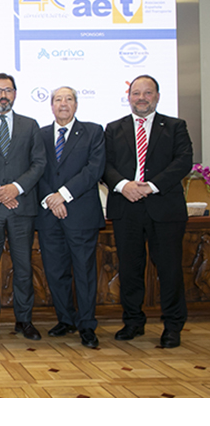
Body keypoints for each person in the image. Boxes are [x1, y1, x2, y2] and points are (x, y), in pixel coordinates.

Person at [103, 75, 193, 348]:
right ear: (128, 97)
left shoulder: (176, 126)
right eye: (136, 93)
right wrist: (122, 185)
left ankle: (173, 326)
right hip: (126, 207)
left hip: (164, 208)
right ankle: (133, 322)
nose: (141, 98)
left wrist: (150, 186)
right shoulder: (113, 128)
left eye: (147, 93)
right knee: (130, 269)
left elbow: (183, 161)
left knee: (169, 270)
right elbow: (104, 164)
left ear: (157, 96)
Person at [0, 73, 46, 341]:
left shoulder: (30, 125)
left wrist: (16, 188)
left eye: (7, 90)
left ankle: (24, 320)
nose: (3, 95)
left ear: (15, 93)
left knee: (23, 266)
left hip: (21, 207)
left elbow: (39, 163)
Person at [35, 87, 105, 348]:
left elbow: (94, 169)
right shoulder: (40, 135)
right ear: (51, 105)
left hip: (81, 214)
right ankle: (66, 319)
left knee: (84, 272)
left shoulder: (93, 131)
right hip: (48, 214)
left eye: (68, 99)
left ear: (76, 104)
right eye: (58, 100)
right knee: (55, 271)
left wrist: (63, 195)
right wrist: (49, 200)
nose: (63, 104)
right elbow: (35, 170)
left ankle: (87, 325)